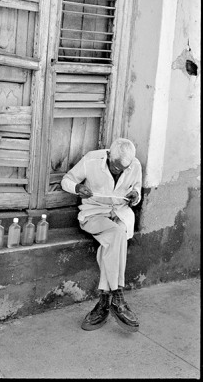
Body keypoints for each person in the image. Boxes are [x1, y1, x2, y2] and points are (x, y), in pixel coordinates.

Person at [61, 138, 142, 332]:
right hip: (94, 213)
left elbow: (137, 187)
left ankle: (105, 301)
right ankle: (118, 296)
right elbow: (67, 180)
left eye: (124, 169)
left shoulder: (134, 165)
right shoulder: (91, 160)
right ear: (108, 156)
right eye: (116, 168)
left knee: (114, 240)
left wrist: (135, 196)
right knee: (117, 234)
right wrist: (78, 188)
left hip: (119, 212)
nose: (120, 172)